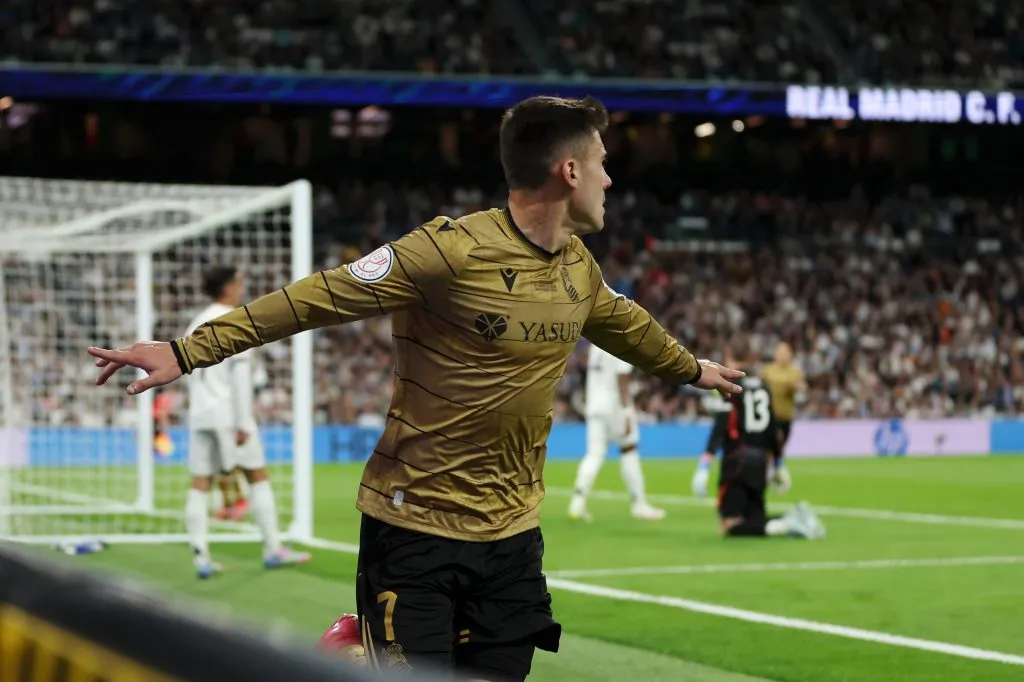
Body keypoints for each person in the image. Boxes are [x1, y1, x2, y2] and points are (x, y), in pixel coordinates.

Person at [88, 95, 744, 681]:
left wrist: (693, 369)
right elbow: (318, 296)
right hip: (413, 530)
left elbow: (625, 324)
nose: (610, 178)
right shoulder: (448, 251)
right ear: (568, 171)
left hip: (512, 537)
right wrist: (187, 350)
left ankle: (357, 651)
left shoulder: (579, 269)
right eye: (601, 162)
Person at [183, 265, 310, 579]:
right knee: (257, 476)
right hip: (229, 414)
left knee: (200, 483)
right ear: (228, 287)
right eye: (239, 282)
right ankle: (273, 549)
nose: (242, 287)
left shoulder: (195, 323)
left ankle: (201, 556)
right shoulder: (233, 320)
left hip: (200, 414)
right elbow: (240, 378)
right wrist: (242, 422)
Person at [691, 340, 825, 540]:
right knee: (755, 518)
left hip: (737, 461)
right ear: (750, 357)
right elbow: (773, 428)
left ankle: (787, 524)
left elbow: (720, 427)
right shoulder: (763, 385)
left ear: (728, 356)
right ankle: (793, 518)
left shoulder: (729, 384)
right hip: (761, 460)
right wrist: (778, 463)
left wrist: (704, 465)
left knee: (729, 525)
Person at [567, 343, 665, 521]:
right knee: (629, 449)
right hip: (613, 406)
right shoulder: (618, 343)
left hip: (594, 406)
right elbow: (622, 380)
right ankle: (639, 504)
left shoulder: (596, 345)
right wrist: (626, 412)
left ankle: (577, 502)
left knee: (594, 454)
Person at [760, 341, 806, 460]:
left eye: (785, 353)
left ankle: (775, 465)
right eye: (780, 352)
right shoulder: (768, 370)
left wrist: (799, 387)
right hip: (769, 415)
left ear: (790, 355)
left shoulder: (795, 371)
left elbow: (803, 389)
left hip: (786, 415)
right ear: (775, 354)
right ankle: (772, 467)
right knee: (771, 444)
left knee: (780, 446)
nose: (782, 355)